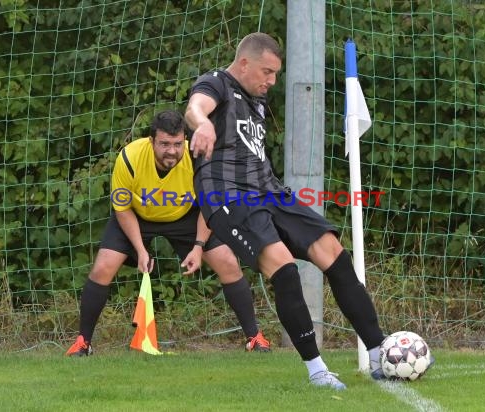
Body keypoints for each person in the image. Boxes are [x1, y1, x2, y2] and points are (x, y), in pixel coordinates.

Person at [185, 32, 389, 390]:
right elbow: (195, 107)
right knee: (285, 268)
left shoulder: (257, 103)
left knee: (334, 253)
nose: (271, 81)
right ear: (245, 63)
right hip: (229, 198)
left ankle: (378, 353)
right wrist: (202, 123)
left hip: (269, 192)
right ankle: (317, 371)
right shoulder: (216, 83)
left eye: (276, 74)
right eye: (267, 72)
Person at [66, 110, 270, 356]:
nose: (171, 151)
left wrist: (198, 245)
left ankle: (254, 338)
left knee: (227, 261)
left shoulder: (198, 157)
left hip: (186, 216)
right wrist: (140, 250)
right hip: (137, 215)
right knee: (103, 267)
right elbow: (122, 208)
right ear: (151, 141)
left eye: (176, 144)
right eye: (164, 144)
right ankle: (82, 343)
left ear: (184, 140)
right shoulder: (129, 158)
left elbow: (210, 206)